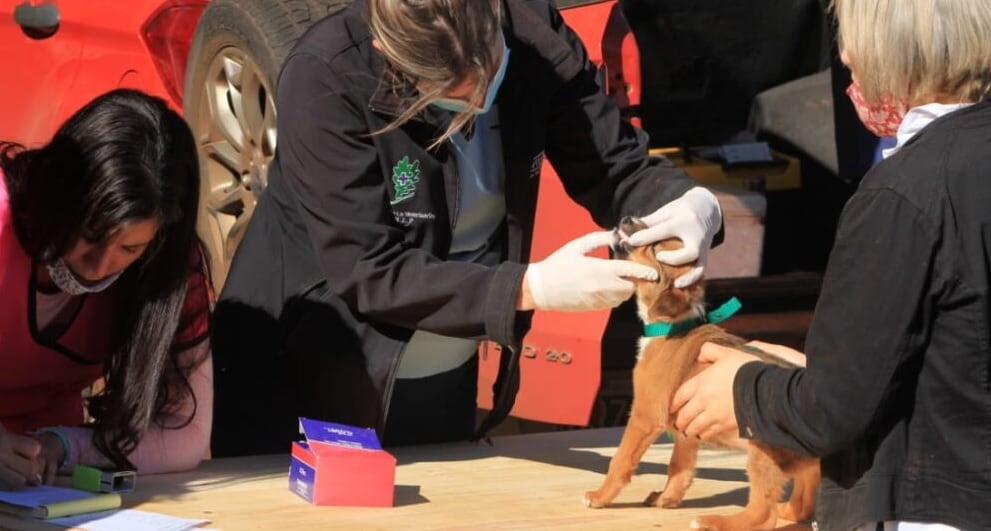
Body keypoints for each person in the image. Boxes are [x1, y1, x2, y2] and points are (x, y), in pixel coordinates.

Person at [210, 0, 722, 456]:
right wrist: (531, 286)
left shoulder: (533, 34)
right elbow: (369, 269)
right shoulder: (326, 75)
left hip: (442, 366)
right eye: (448, 94)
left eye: (489, 75)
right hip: (315, 370)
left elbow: (613, 165)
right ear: (386, 51)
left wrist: (690, 205)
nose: (478, 103)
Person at [669, 1, 991, 529]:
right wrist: (803, 375)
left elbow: (835, 411)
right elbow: (947, 367)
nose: (845, 59)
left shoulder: (901, 193)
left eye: (853, 46)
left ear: (894, 55)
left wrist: (746, 390)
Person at [0, 89, 213, 489]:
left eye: (130, 248)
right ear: (59, 196)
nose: (100, 267)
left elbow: (184, 434)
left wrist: (63, 446)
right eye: (92, 235)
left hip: (43, 478)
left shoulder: (169, 270)